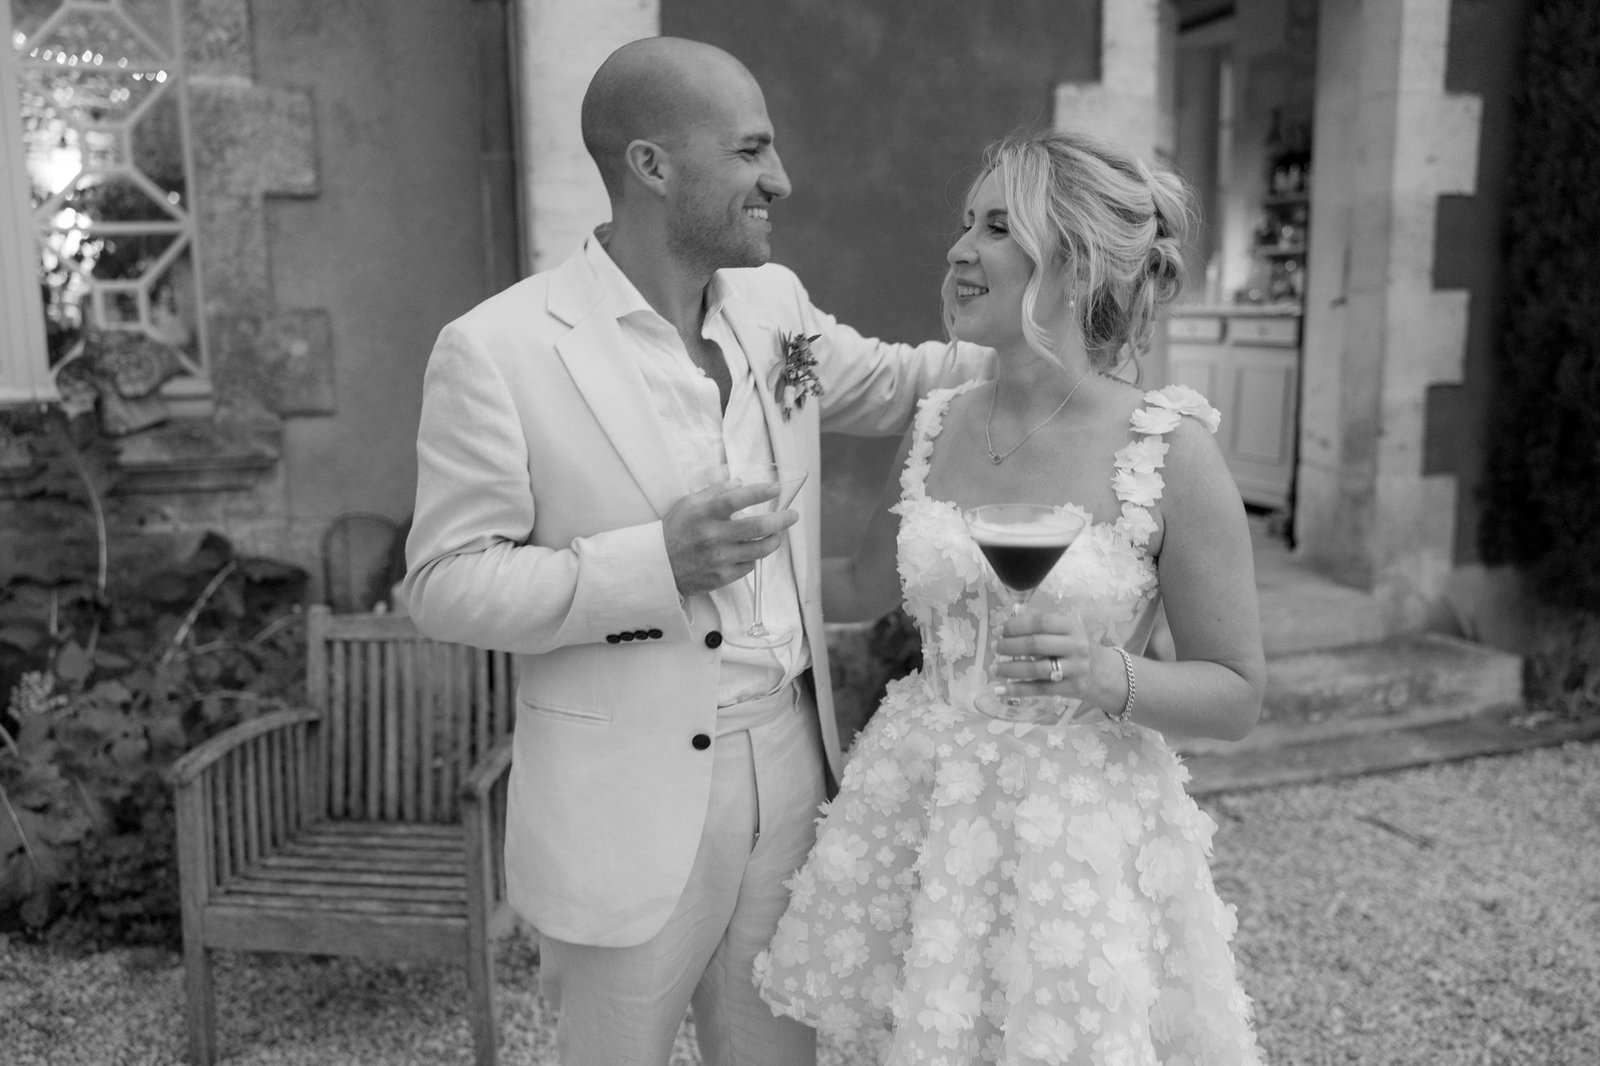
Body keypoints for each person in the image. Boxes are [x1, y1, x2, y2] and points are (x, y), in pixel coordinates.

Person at [401, 36, 988, 1066]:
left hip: (794, 766)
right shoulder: (498, 349)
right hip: (625, 795)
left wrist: (1063, 352)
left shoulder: (774, 306)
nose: (781, 180)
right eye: (753, 151)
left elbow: (903, 382)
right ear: (652, 166)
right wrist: (655, 564)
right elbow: (442, 585)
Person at [754, 129, 1267, 1065]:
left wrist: (1107, 674)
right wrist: (706, 566)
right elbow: (856, 586)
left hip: (1075, 831)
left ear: (1072, 268)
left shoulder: (1169, 447)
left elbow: (1237, 692)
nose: (958, 249)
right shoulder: (940, 418)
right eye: (964, 223)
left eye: (997, 227)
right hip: (918, 806)